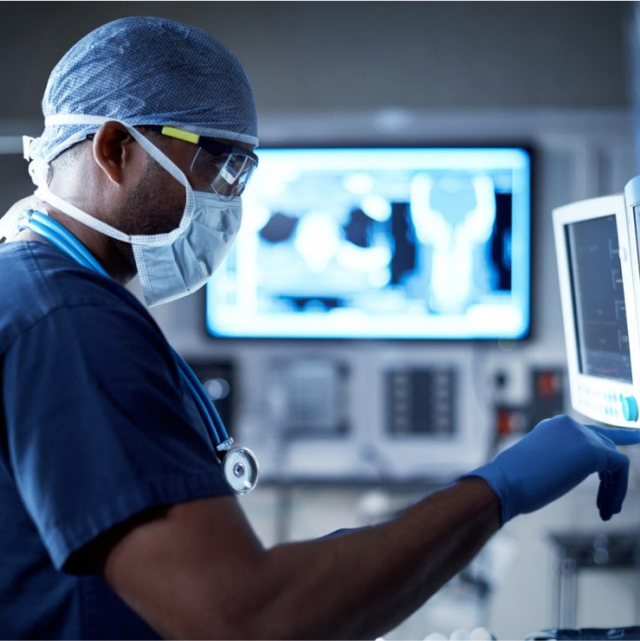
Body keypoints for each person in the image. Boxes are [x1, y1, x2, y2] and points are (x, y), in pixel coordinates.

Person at [0, 16, 638, 641]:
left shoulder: (38, 290)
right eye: (221, 167)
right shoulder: (69, 321)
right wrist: (501, 487)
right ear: (116, 148)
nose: (231, 204)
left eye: (244, 176)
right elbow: (250, 619)